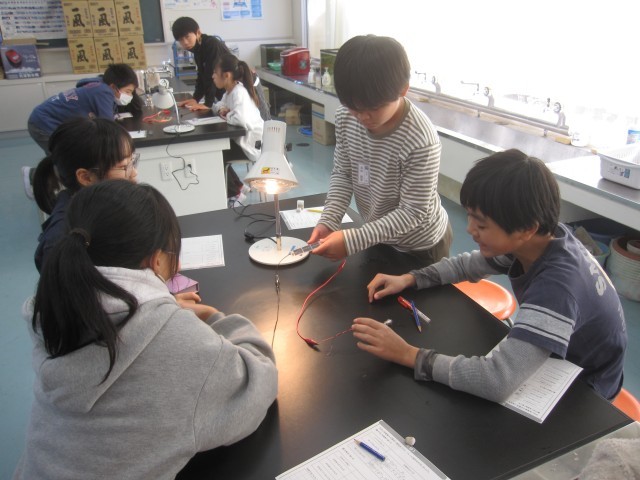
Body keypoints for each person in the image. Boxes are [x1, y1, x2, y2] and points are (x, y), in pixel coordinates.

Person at [15, 180, 278, 479]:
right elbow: (260, 379)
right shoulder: (177, 341)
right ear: (156, 260)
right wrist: (214, 316)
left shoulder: (53, 309)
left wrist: (158, 307)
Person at [354, 149, 627, 403]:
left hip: (588, 389)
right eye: (470, 216)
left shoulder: (556, 289)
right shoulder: (541, 239)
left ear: (526, 229)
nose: (470, 229)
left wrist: (408, 354)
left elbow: (496, 381)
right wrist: (410, 278)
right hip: (560, 357)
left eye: (482, 224)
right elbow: (467, 266)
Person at [307, 35, 451, 264]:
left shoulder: (420, 140)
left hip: (420, 246)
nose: (362, 117)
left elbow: (412, 212)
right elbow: (344, 174)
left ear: (403, 90)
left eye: (373, 108)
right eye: (353, 107)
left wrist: (353, 240)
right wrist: (329, 220)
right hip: (378, 234)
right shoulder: (346, 117)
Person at [32, 117, 138, 272]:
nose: (134, 173)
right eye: (123, 167)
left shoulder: (103, 204)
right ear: (86, 177)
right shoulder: (61, 241)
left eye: (132, 162)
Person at [22, 63, 139, 198]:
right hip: (43, 124)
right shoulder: (103, 92)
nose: (129, 96)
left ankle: (50, 183)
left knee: (62, 158)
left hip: (44, 119)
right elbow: (107, 126)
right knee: (66, 159)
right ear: (114, 87)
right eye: (127, 91)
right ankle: (35, 177)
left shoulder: (99, 86)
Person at [191, 53, 264, 205]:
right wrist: (223, 110)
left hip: (251, 144)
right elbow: (218, 105)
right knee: (216, 149)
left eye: (215, 73)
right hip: (241, 140)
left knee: (216, 154)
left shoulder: (239, 92)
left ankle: (235, 195)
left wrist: (226, 113)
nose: (212, 76)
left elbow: (241, 120)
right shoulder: (230, 91)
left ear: (227, 75)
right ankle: (238, 187)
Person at [171, 16, 231, 108]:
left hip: (236, 91)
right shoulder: (198, 49)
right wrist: (195, 99)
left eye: (187, 37)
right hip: (224, 95)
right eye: (181, 40)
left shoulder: (211, 44)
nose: (185, 42)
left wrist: (207, 104)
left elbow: (211, 76)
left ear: (198, 32)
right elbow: (202, 76)